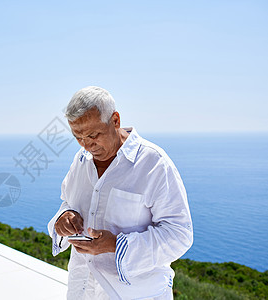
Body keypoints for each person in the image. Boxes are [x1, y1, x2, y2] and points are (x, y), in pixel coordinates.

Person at [47, 86, 193, 300]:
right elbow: (68, 202)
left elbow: (180, 234)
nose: (87, 145)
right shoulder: (80, 160)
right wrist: (64, 218)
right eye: (78, 137)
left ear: (115, 120)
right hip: (82, 290)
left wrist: (116, 245)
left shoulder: (154, 163)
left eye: (93, 135)